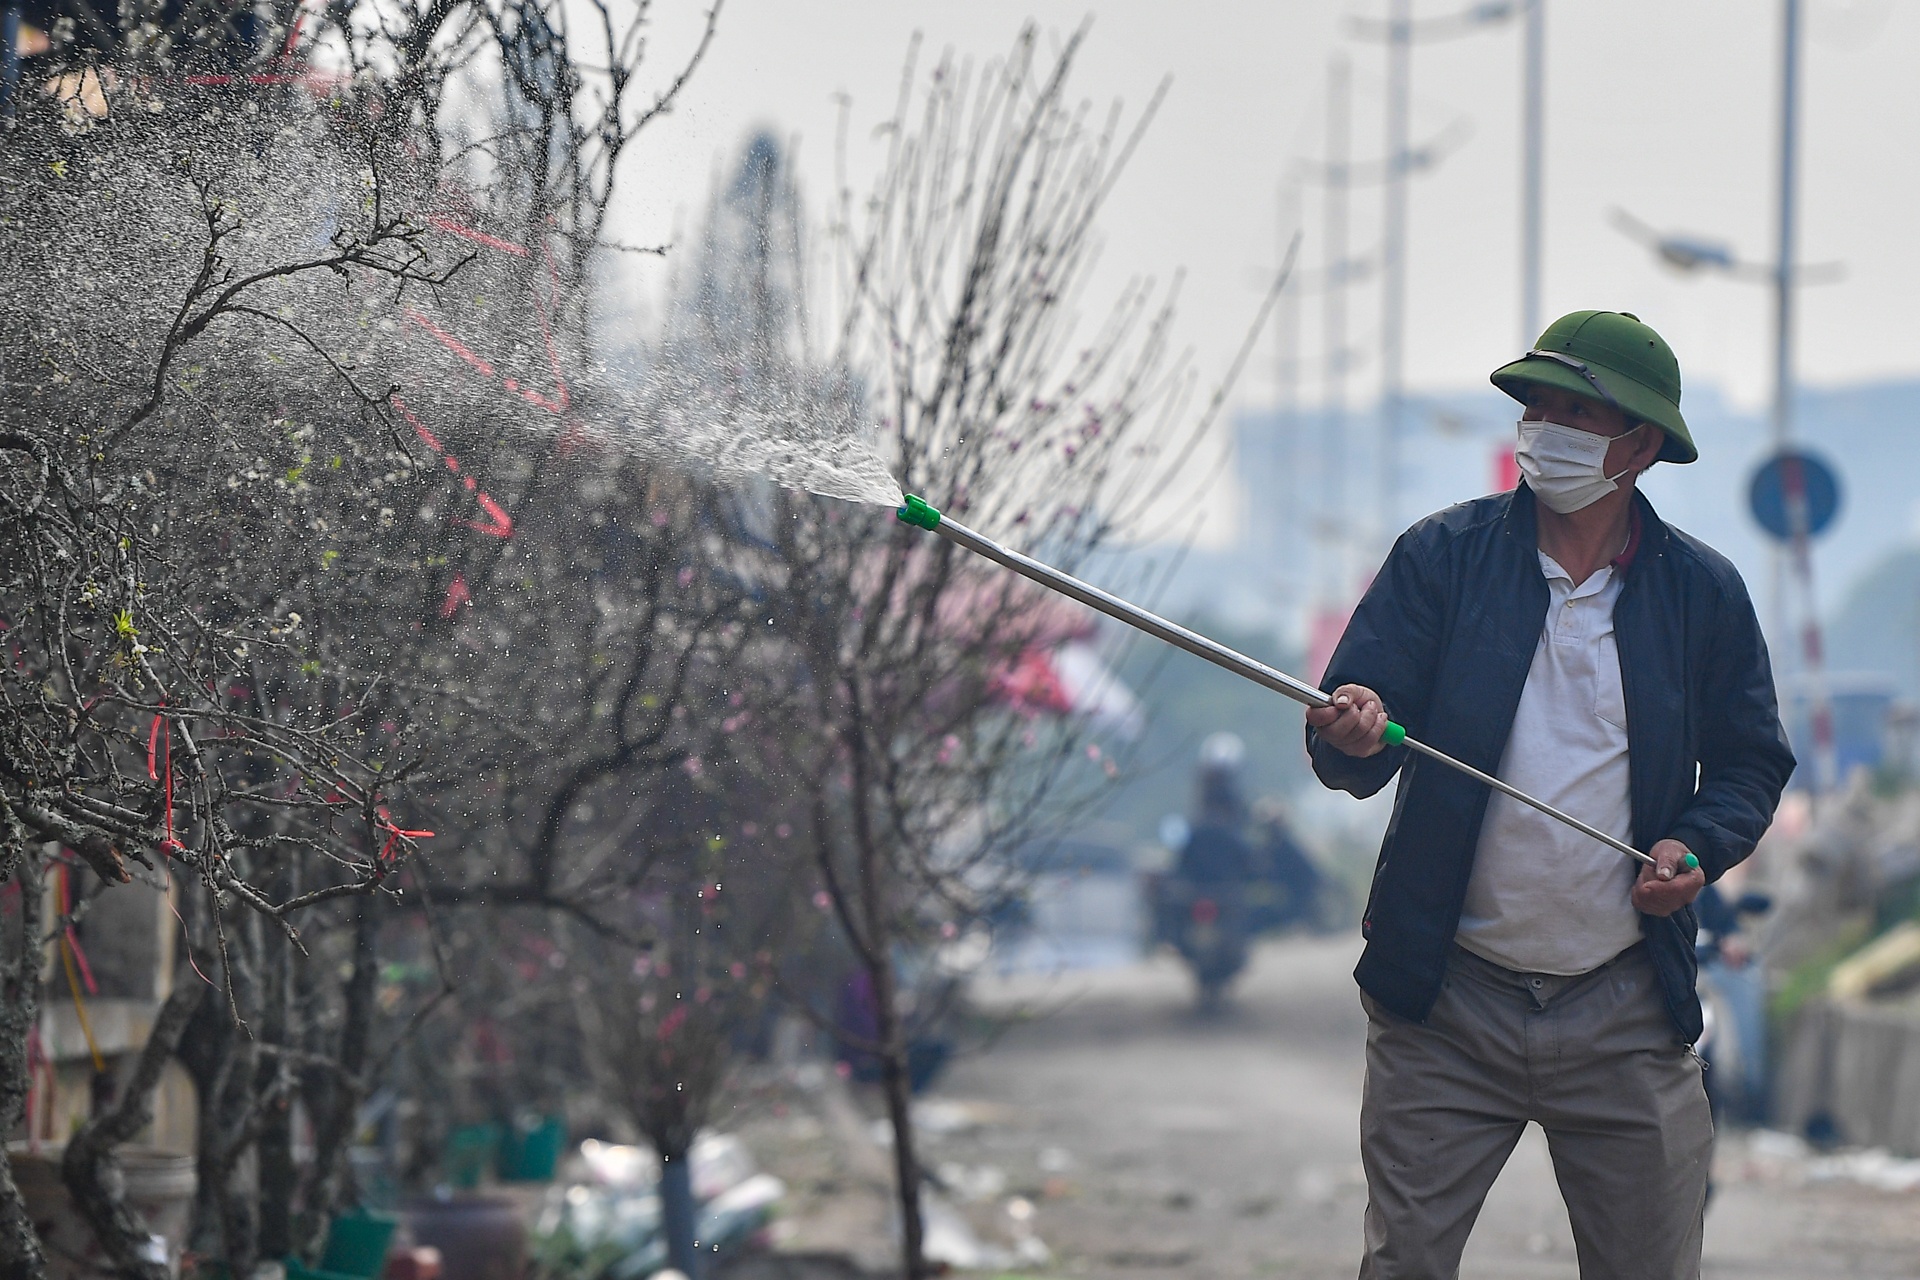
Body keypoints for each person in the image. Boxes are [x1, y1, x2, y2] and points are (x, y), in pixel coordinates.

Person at [1304, 311, 1795, 1279]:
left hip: (1624, 1006)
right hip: (1444, 999)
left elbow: (1749, 759)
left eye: (1577, 412)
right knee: (1403, 1262)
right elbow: (1352, 735)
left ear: (1641, 444)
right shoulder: (1440, 559)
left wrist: (1697, 846)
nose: (1545, 430)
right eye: (1537, 407)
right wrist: (1354, 726)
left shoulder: (1702, 591)